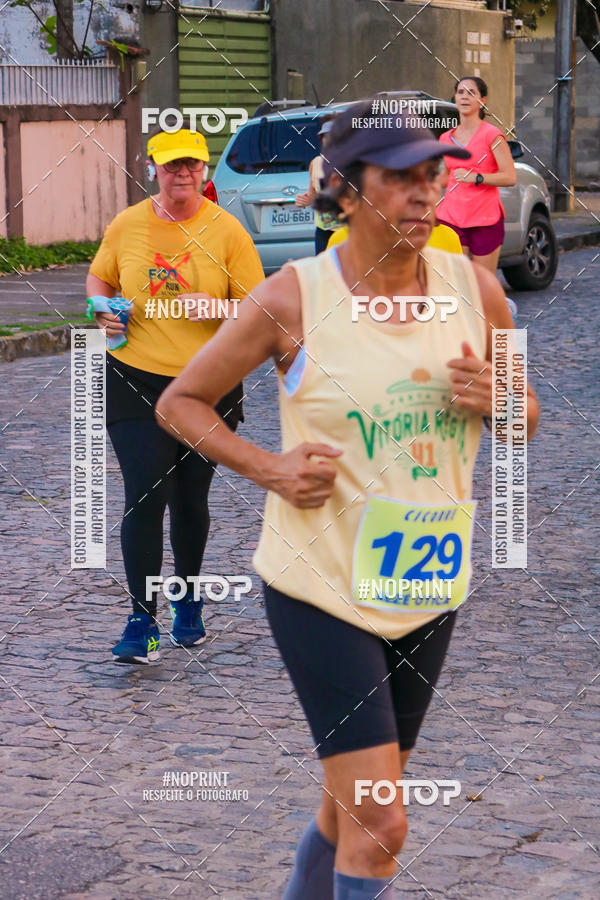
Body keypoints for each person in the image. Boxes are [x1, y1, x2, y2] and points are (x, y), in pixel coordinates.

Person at [155, 100, 540, 898]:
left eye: (433, 172)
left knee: (348, 806)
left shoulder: (477, 288)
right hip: (319, 584)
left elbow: (525, 417)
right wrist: (268, 467)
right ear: (345, 189)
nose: (424, 192)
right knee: (382, 820)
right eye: (398, 176)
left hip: (425, 581)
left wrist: (497, 398)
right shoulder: (292, 298)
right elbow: (180, 404)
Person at [86, 123, 264, 664]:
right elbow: (100, 281)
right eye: (171, 165)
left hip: (206, 385)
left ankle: (188, 602)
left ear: (204, 171)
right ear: (153, 171)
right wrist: (101, 313)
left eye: (191, 164)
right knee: (145, 492)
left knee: (190, 499)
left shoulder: (228, 231)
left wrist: (222, 308)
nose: (182, 173)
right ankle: (142, 620)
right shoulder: (127, 225)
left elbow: (263, 310)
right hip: (136, 379)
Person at [437, 76, 517, 274]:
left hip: (485, 218)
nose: (465, 97)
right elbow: (447, 177)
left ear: (483, 100)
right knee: (455, 281)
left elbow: (510, 176)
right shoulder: (445, 138)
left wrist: (478, 177)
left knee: (483, 284)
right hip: (451, 217)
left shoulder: (492, 135)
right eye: (460, 92)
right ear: (454, 98)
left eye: (471, 93)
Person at [295, 116, 344, 253]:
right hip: (324, 231)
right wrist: (305, 200)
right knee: (324, 271)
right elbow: (313, 195)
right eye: (325, 137)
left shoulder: (352, 163)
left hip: (347, 230)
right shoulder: (316, 163)